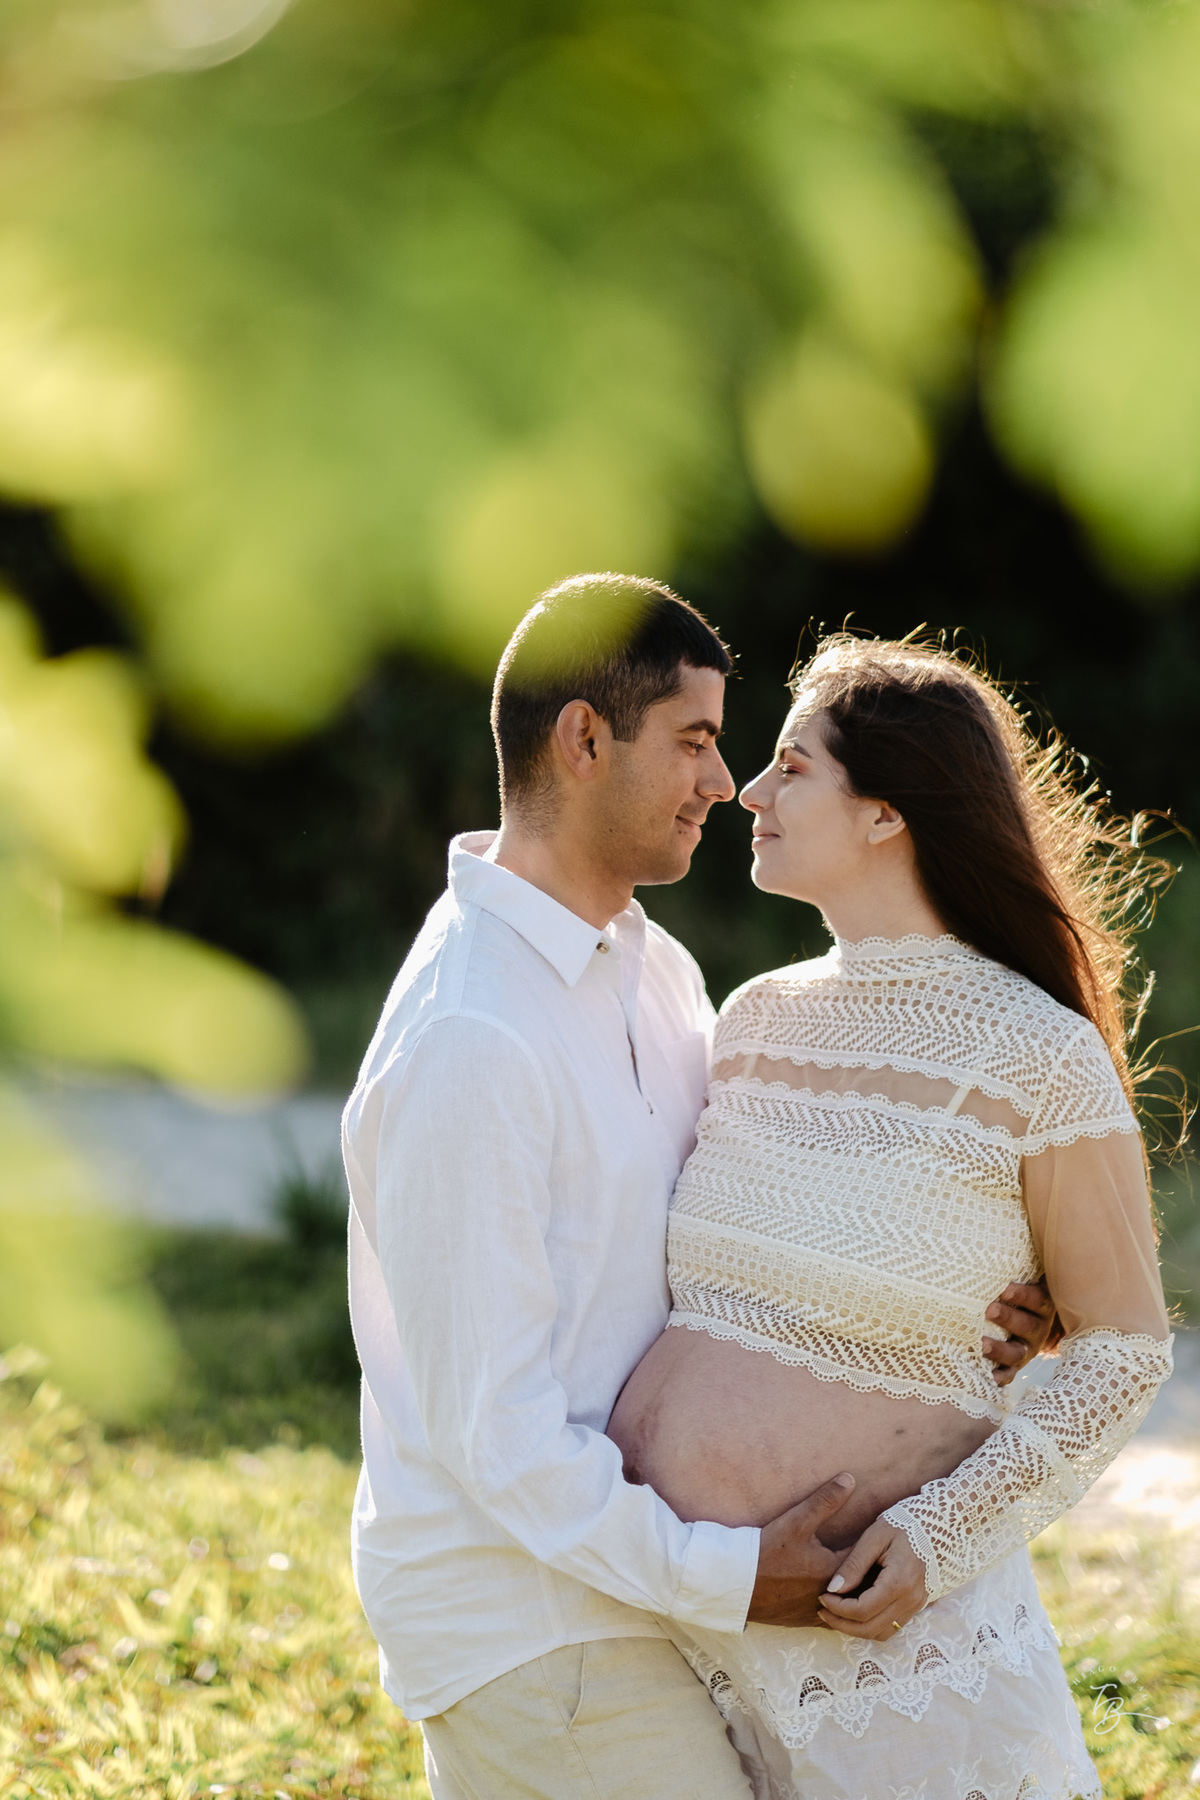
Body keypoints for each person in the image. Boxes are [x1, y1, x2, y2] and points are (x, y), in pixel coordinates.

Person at [342, 578, 1052, 1800]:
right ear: (582, 741)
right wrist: (727, 1572)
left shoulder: (655, 969)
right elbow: (495, 1437)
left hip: (652, 1595)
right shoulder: (472, 1034)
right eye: (696, 742)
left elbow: (754, 1220)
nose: (724, 784)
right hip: (539, 1619)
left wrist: (969, 1287)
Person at [608, 633, 1175, 1800]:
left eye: (791, 765)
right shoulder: (752, 1023)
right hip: (689, 1633)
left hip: (897, 1661)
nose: (748, 794)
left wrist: (941, 1536)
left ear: (887, 814)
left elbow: (1124, 1348)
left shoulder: (1041, 1056)